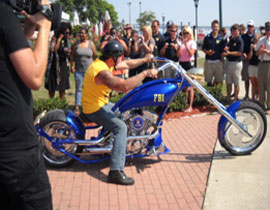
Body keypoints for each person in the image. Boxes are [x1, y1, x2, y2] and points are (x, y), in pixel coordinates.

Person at [81, 40, 158, 185]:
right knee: (121, 128)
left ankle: (108, 146)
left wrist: (145, 59)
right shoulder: (101, 71)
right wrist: (146, 73)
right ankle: (115, 171)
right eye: (120, 56)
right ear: (113, 57)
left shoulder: (105, 63)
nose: (122, 59)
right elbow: (123, 86)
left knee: (124, 112)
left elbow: (128, 64)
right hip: (94, 108)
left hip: (100, 103)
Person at [0, 0, 53, 209]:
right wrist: (45, 25)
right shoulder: (4, 15)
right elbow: (35, 76)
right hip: (17, 152)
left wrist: (27, 30)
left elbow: (9, 56)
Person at [70, 27, 97, 114]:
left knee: (89, 89)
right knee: (79, 89)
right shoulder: (76, 44)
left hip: (89, 71)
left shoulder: (91, 44)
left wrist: (95, 65)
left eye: (83, 33)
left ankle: (90, 106)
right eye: (80, 33)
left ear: (86, 34)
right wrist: (72, 66)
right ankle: (77, 107)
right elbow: (72, 55)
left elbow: (95, 56)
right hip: (79, 71)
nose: (81, 35)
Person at [47, 22, 71, 99]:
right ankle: (52, 103)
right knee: (52, 87)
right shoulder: (54, 38)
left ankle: (61, 103)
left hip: (63, 65)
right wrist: (59, 39)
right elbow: (54, 49)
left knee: (62, 87)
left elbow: (68, 52)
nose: (67, 35)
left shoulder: (67, 41)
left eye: (68, 33)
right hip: (54, 65)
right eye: (66, 33)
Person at [177, 25, 197, 112]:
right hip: (182, 63)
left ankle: (190, 105)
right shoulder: (180, 42)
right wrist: (179, 46)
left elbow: (191, 54)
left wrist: (186, 44)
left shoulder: (192, 43)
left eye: (186, 33)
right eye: (183, 33)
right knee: (183, 86)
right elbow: (178, 55)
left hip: (189, 64)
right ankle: (184, 103)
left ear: (190, 34)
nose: (185, 35)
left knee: (190, 86)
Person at [222, 24, 244, 102]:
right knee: (228, 81)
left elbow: (239, 53)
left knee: (236, 82)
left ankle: (235, 98)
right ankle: (228, 97)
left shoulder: (240, 40)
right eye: (232, 30)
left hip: (236, 63)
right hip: (229, 62)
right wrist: (226, 48)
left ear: (239, 31)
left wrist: (229, 53)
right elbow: (227, 48)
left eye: (236, 30)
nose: (234, 32)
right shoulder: (231, 39)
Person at [203, 20, 225, 86]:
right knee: (208, 81)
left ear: (218, 28)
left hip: (218, 61)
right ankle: (208, 95)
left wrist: (222, 62)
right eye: (214, 26)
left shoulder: (222, 38)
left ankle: (217, 95)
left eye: (216, 27)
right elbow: (204, 49)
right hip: (209, 62)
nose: (215, 28)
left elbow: (223, 51)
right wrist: (208, 52)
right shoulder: (207, 37)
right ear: (211, 27)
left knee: (219, 80)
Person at [255, 22, 270, 114]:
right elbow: (256, 53)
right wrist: (260, 52)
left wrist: (267, 52)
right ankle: (261, 105)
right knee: (261, 85)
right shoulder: (261, 39)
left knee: (269, 86)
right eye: (267, 30)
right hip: (261, 63)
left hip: (269, 63)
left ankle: (269, 106)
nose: (268, 31)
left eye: (269, 30)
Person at [241, 20, 255, 100]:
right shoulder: (243, 37)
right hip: (246, 60)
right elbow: (241, 48)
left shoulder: (256, 36)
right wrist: (243, 53)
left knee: (254, 80)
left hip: (254, 61)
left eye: (251, 26)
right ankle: (246, 94)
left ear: (253, 27)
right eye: (249, 26)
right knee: (246, 78)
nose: (250, 28)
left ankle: (254, 96)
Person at [247, 34, 260, 101]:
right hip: (251, 65)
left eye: (256, 39)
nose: (255, 41)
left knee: (258, 84)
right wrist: (251, 50)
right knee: (253, 83)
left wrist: (257, 48)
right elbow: (249, 57)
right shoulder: (251, 46)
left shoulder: (260, 46)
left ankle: (259, 98)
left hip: (258, 66)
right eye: (254, 39)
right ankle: (252, 98)